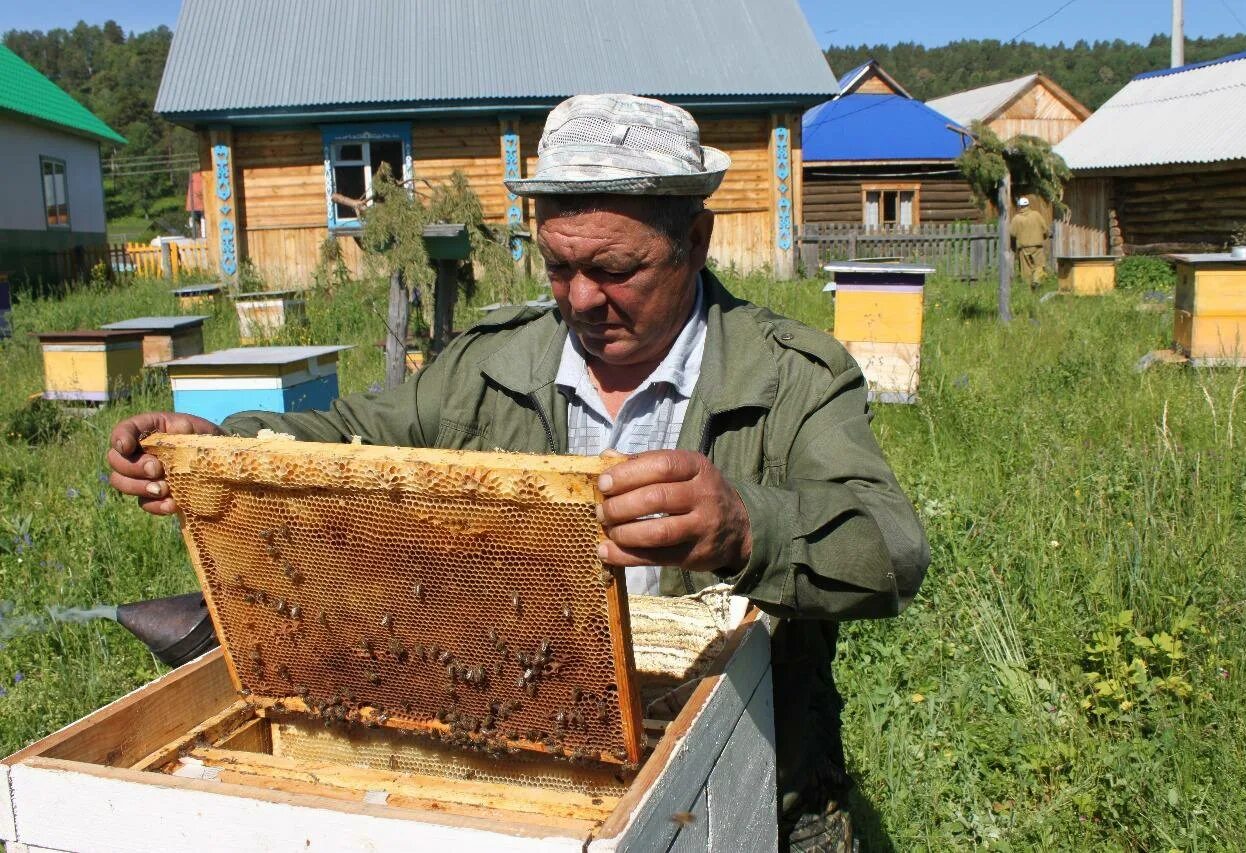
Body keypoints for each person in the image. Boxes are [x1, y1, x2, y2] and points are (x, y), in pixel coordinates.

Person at [106, 94, 929, 852]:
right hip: (533, 755)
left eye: (614, 269)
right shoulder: (488, 364)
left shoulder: (793, 376)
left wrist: (749, 528)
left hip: (751, 769)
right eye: (557, 265)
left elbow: (893, 547)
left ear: (697, 241)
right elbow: (352, 436)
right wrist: (218, 441)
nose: (580, 297)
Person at [1010, 196, 1050, 285]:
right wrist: (1043, 237)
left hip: (1024, 249)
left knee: (1026, 271)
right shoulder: (1036, 215)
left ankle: (1028, 289)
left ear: (1019, 206)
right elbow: (1045, 229)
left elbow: (1012, 233)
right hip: (1037, 247)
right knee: (1039, 267)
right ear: (1028, 205)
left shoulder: (1016, 219)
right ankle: (1038, 283)